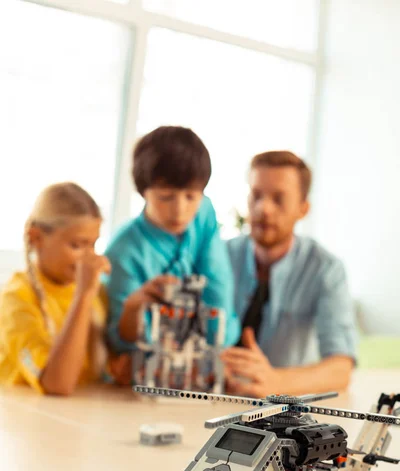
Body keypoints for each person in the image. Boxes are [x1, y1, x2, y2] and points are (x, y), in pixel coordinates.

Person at [221, 151, 357, 397]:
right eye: (256, 196)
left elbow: (341, 369)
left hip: (284, 412)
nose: (264, 209)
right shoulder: (220, 256)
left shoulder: (326, 269)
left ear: (303, 208)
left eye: (279, 198)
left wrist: (276, 382)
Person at [104, 125, 240, 358]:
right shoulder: (123, 250)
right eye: (165, 197)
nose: (180, 210)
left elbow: (218, 291)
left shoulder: (204, 213)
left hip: (209, 360)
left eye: (191, 196)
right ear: (143, 190)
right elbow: (126, 341)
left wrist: (217, 346)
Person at [0, 182, 113, 395]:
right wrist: (84, 295)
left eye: (93, 245)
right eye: (77, 245)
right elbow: (57, 384)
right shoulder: (16, 299)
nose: (89, 257)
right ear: (36, 238)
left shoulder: (94, 293)